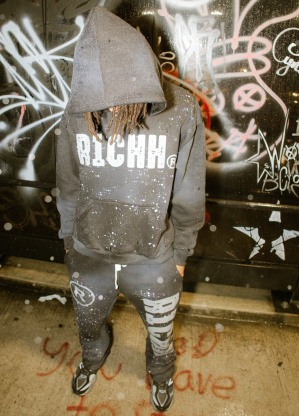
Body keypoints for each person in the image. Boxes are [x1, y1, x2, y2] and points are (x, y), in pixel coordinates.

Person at [56, 6, 205, 412]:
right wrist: (69, 241)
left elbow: (190, 191)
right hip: (88, 255)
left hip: (153, 258)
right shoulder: (77, 109)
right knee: (88, 327)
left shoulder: (180, 108)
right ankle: (93, 359)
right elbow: (68, 184)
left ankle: (161, 372)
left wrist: (181, 255)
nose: (107, 109)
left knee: (161, 335)